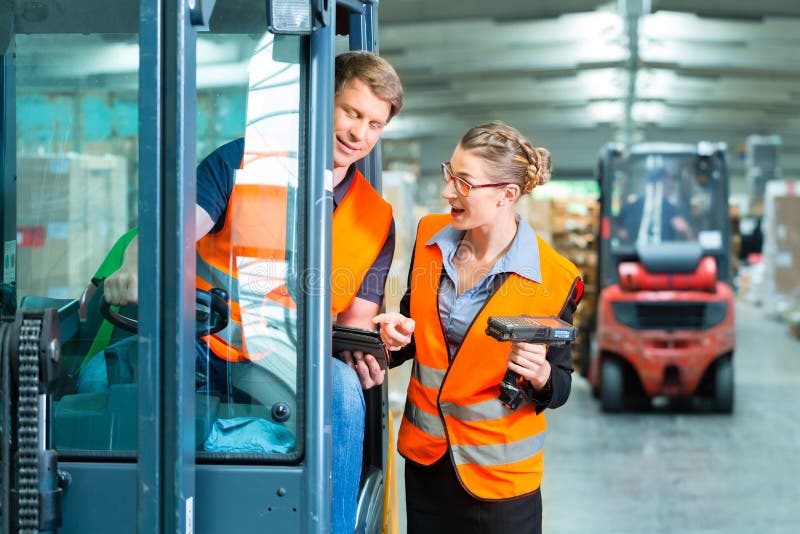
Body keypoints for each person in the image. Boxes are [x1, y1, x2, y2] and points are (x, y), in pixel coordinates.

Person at [103, 50, 408, 533]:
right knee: (97, 380)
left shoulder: (377, 219)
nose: (359, 134)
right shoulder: (240, 162)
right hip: (197, 341)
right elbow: (170, 231)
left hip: (281, 361)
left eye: (374, 124)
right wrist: (136, 263)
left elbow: (354, 327)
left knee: (343, 390)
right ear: (319, 102)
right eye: (351, 113)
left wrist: (374, 346)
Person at [375, 121, 583, 533]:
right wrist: (394, 338)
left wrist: (541, 374)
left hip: (500, 483)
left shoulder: (556, 279)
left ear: (507, 194)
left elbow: (560, 385)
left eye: (464, 182)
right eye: (449, 174)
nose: (447, 191)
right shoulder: (429, 238)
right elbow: (416, 333)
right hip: (427, 465)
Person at [616, 167, 692, 244]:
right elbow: (617, 227)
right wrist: (620, 232)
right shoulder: (632, 207)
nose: (671, 191)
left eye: (672, 187)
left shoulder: (672, 210)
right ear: (656, 186)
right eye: (669, 186)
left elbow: (683, 229)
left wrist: (685, 230)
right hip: (634, 249)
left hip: (664, 249)